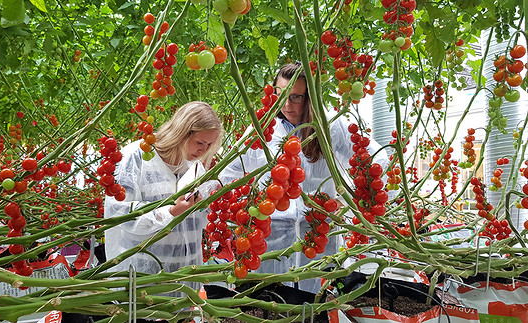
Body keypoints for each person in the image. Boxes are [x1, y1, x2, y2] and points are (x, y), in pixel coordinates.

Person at [219, 63, 388, 292]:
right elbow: (227, 172)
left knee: (313, 306)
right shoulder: (262, 129)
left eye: (297, 97)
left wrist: (345, 200)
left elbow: (377, 161)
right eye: (281, 97)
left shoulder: (330, 126)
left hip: (318, 235)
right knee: (268, 303)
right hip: (268, 237)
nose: (287, 105)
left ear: (310, 98)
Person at [104, 101, 223, 276]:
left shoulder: (192, 166)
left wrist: (210, 197)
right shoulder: (137, 157)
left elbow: (197, 223)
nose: (203, 150)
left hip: (184, 275)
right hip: (142, 274)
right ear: (182, 132)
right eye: (200, 143)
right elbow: (121, 213)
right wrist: (171, 212)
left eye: (209, 145)